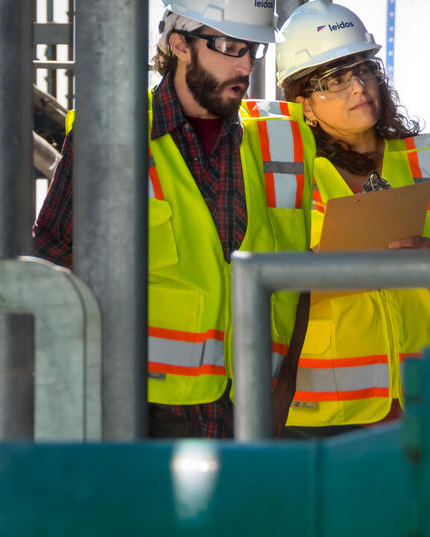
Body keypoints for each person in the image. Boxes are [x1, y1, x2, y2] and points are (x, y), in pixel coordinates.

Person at [33, 0, 318, 438]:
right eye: (229, 46)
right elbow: (52, 259)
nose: (245, 65)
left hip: (252, 407)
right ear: (181, 45)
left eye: (253, 50)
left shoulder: (278, 142)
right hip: (140, 413)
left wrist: (287, 384)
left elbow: (296, 279)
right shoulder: (111, 136)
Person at [272, 0, 430, 437]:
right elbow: (252, 277)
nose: (358, 87)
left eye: (363, 70)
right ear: (303, 103)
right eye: (335, 80)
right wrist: (316, 267)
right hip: (327, 414)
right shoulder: (285, 175)